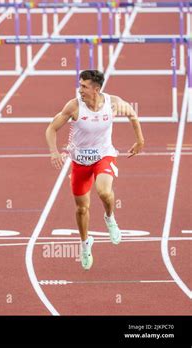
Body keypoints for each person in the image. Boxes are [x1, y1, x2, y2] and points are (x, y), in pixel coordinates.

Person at [45, 70, 145, 270]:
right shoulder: (74, 106)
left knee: (104, 191)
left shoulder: (112, 103)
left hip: (103, 155)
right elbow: (51, 129)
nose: (79, 89)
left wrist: (140, 140)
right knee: (82, 208)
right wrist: (54, 152)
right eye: (79, 85)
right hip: (79, 162)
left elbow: (133, 115)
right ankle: (85, 244)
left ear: (96, 89)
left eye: (84, 86)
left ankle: (109, 217)